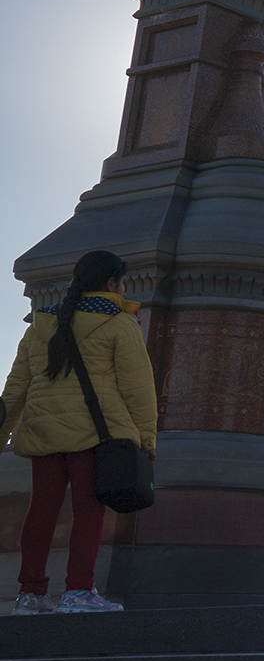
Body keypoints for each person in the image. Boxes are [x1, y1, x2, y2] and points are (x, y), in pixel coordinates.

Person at [3, 250, 155, 615]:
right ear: (110, 284)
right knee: (88, 511)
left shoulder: (39, 327)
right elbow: (138, 389)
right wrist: (146, 439)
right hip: (95, 434)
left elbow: (15, 390)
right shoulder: (119, 324)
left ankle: (30, 595)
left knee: (41, 511)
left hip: (43, 432)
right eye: (121, 282)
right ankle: (78, 592)